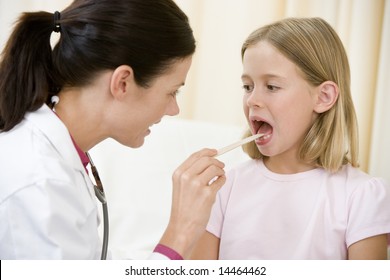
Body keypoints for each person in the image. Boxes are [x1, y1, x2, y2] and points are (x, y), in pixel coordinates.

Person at [0, 0, 226, 260]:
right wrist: (181, 232)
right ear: (122, 83)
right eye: (171, 91)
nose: (173, 109)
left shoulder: (56, 157)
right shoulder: (39, 183)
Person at [191, 17, 390, 260]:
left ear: (323, 97)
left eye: (272, 86)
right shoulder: (224, 188)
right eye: (248, 86)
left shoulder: (361, 196)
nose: (252, 99)